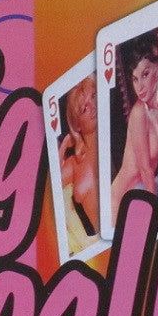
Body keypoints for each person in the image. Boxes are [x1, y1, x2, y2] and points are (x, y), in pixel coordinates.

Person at [111, 27, 158, 226]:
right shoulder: (139, 112)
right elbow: (145, 169)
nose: (139, 87)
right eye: (135, 79)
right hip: (120, 201)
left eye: (145, 74)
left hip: (142, 194)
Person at [59, 74, 99, 246]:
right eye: (84, 109)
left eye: (94, 96)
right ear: (76, 125)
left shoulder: (116, 138)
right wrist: (64, 145)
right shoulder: (75, 163)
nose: (92, 106)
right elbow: (51, 186)